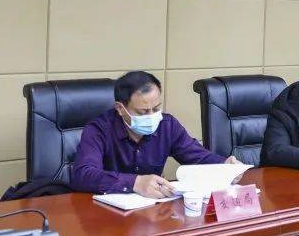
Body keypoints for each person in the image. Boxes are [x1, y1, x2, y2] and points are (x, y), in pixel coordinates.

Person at [71, 71, 240, 198]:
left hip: (152, 212)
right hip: (106, 215)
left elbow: (197, 157)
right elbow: (83, 175)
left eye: (156, 108)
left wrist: (224, 166)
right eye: (143, 111)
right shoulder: (98, 130)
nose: (151, 116)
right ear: (120, 109)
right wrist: (135, 182)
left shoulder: (167, 125)